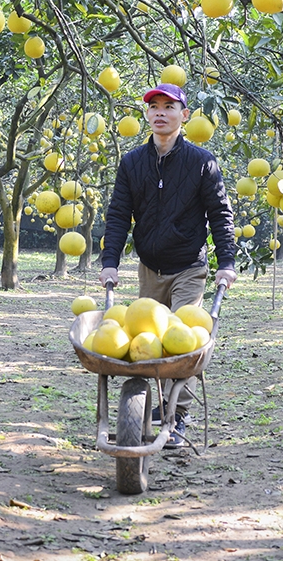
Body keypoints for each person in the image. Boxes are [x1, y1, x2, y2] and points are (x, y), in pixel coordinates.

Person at [99, 82, 238, 448]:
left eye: (169, 107)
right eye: (154, 106)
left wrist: (227, 262)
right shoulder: (131, 162)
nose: (160, 112)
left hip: (189, 266)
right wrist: (110, 262)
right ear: (147, 114)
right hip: (150, 267)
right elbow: (118, 215)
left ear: (184, 115)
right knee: (149, 344)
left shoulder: (202, 162)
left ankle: (177, 415)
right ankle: (153, 407)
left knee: (182, 344)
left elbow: (220, 214)